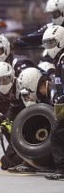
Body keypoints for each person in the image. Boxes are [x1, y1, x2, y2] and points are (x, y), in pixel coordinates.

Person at [39, 25, 64, 180]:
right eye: (47, 43)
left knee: (56, 134)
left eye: (51, 43)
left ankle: (61, 170)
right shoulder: (59, 59)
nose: (49, 47)